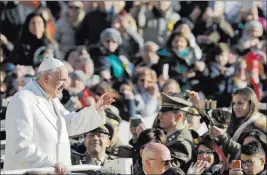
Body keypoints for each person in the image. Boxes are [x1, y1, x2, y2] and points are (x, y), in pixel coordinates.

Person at [4, 58, 116, 173]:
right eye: (62, 80)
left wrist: (96, 110)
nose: (65, 85)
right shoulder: (23, 100)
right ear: (46, 78)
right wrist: (50, 163)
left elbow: (69, 123)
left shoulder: (52, 99)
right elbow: (20, 146)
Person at [158, 92, 195, 170]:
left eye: (164, 112)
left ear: (178, 117)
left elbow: (161, 169)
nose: (160, 115)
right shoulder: (172, 137)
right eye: (161, 111)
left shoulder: (181, 144)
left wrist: (146, 143)